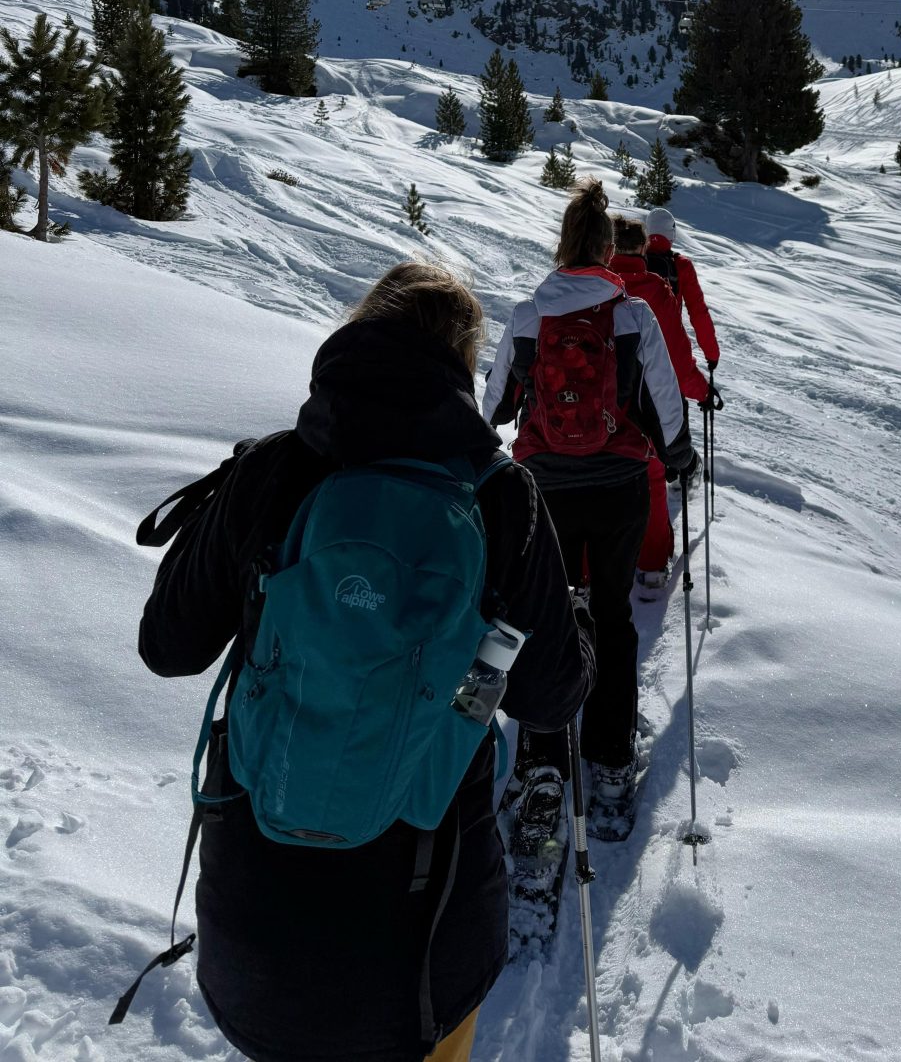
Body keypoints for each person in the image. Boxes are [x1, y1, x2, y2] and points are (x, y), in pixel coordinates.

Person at [138, 262, 594, 1062]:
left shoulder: (277, 468)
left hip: (258, 932)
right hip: (421, 946)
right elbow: (553, 698)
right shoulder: (502, 497)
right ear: (461, 362)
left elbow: (167, 646)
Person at [484, 179, 693, 822]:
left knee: (539, 617)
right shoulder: (632, 314)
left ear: (561, 246)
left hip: (542, 490)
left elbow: (494, 406)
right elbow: (663, 402)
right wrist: (680, 457)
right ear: (606, 250)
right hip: (617, 487)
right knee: (614, 616)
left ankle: (542, 757)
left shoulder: (527, 317)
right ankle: (608, 762)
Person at [606, 213, 708, 584]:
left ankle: (582, 575)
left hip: (599, 404)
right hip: (650, 398)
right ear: (643, 245)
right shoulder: (660, 287)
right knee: (651, 471)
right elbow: (680, 355)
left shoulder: (599, 284)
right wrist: (703, 388)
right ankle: (650, 567)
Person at [642, 207, 720, 376]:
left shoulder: (633, 259)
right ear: (672, 233)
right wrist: (711, 353)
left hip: (634, 346)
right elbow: (698, 312)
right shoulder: (681, 265)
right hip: (669, 347)